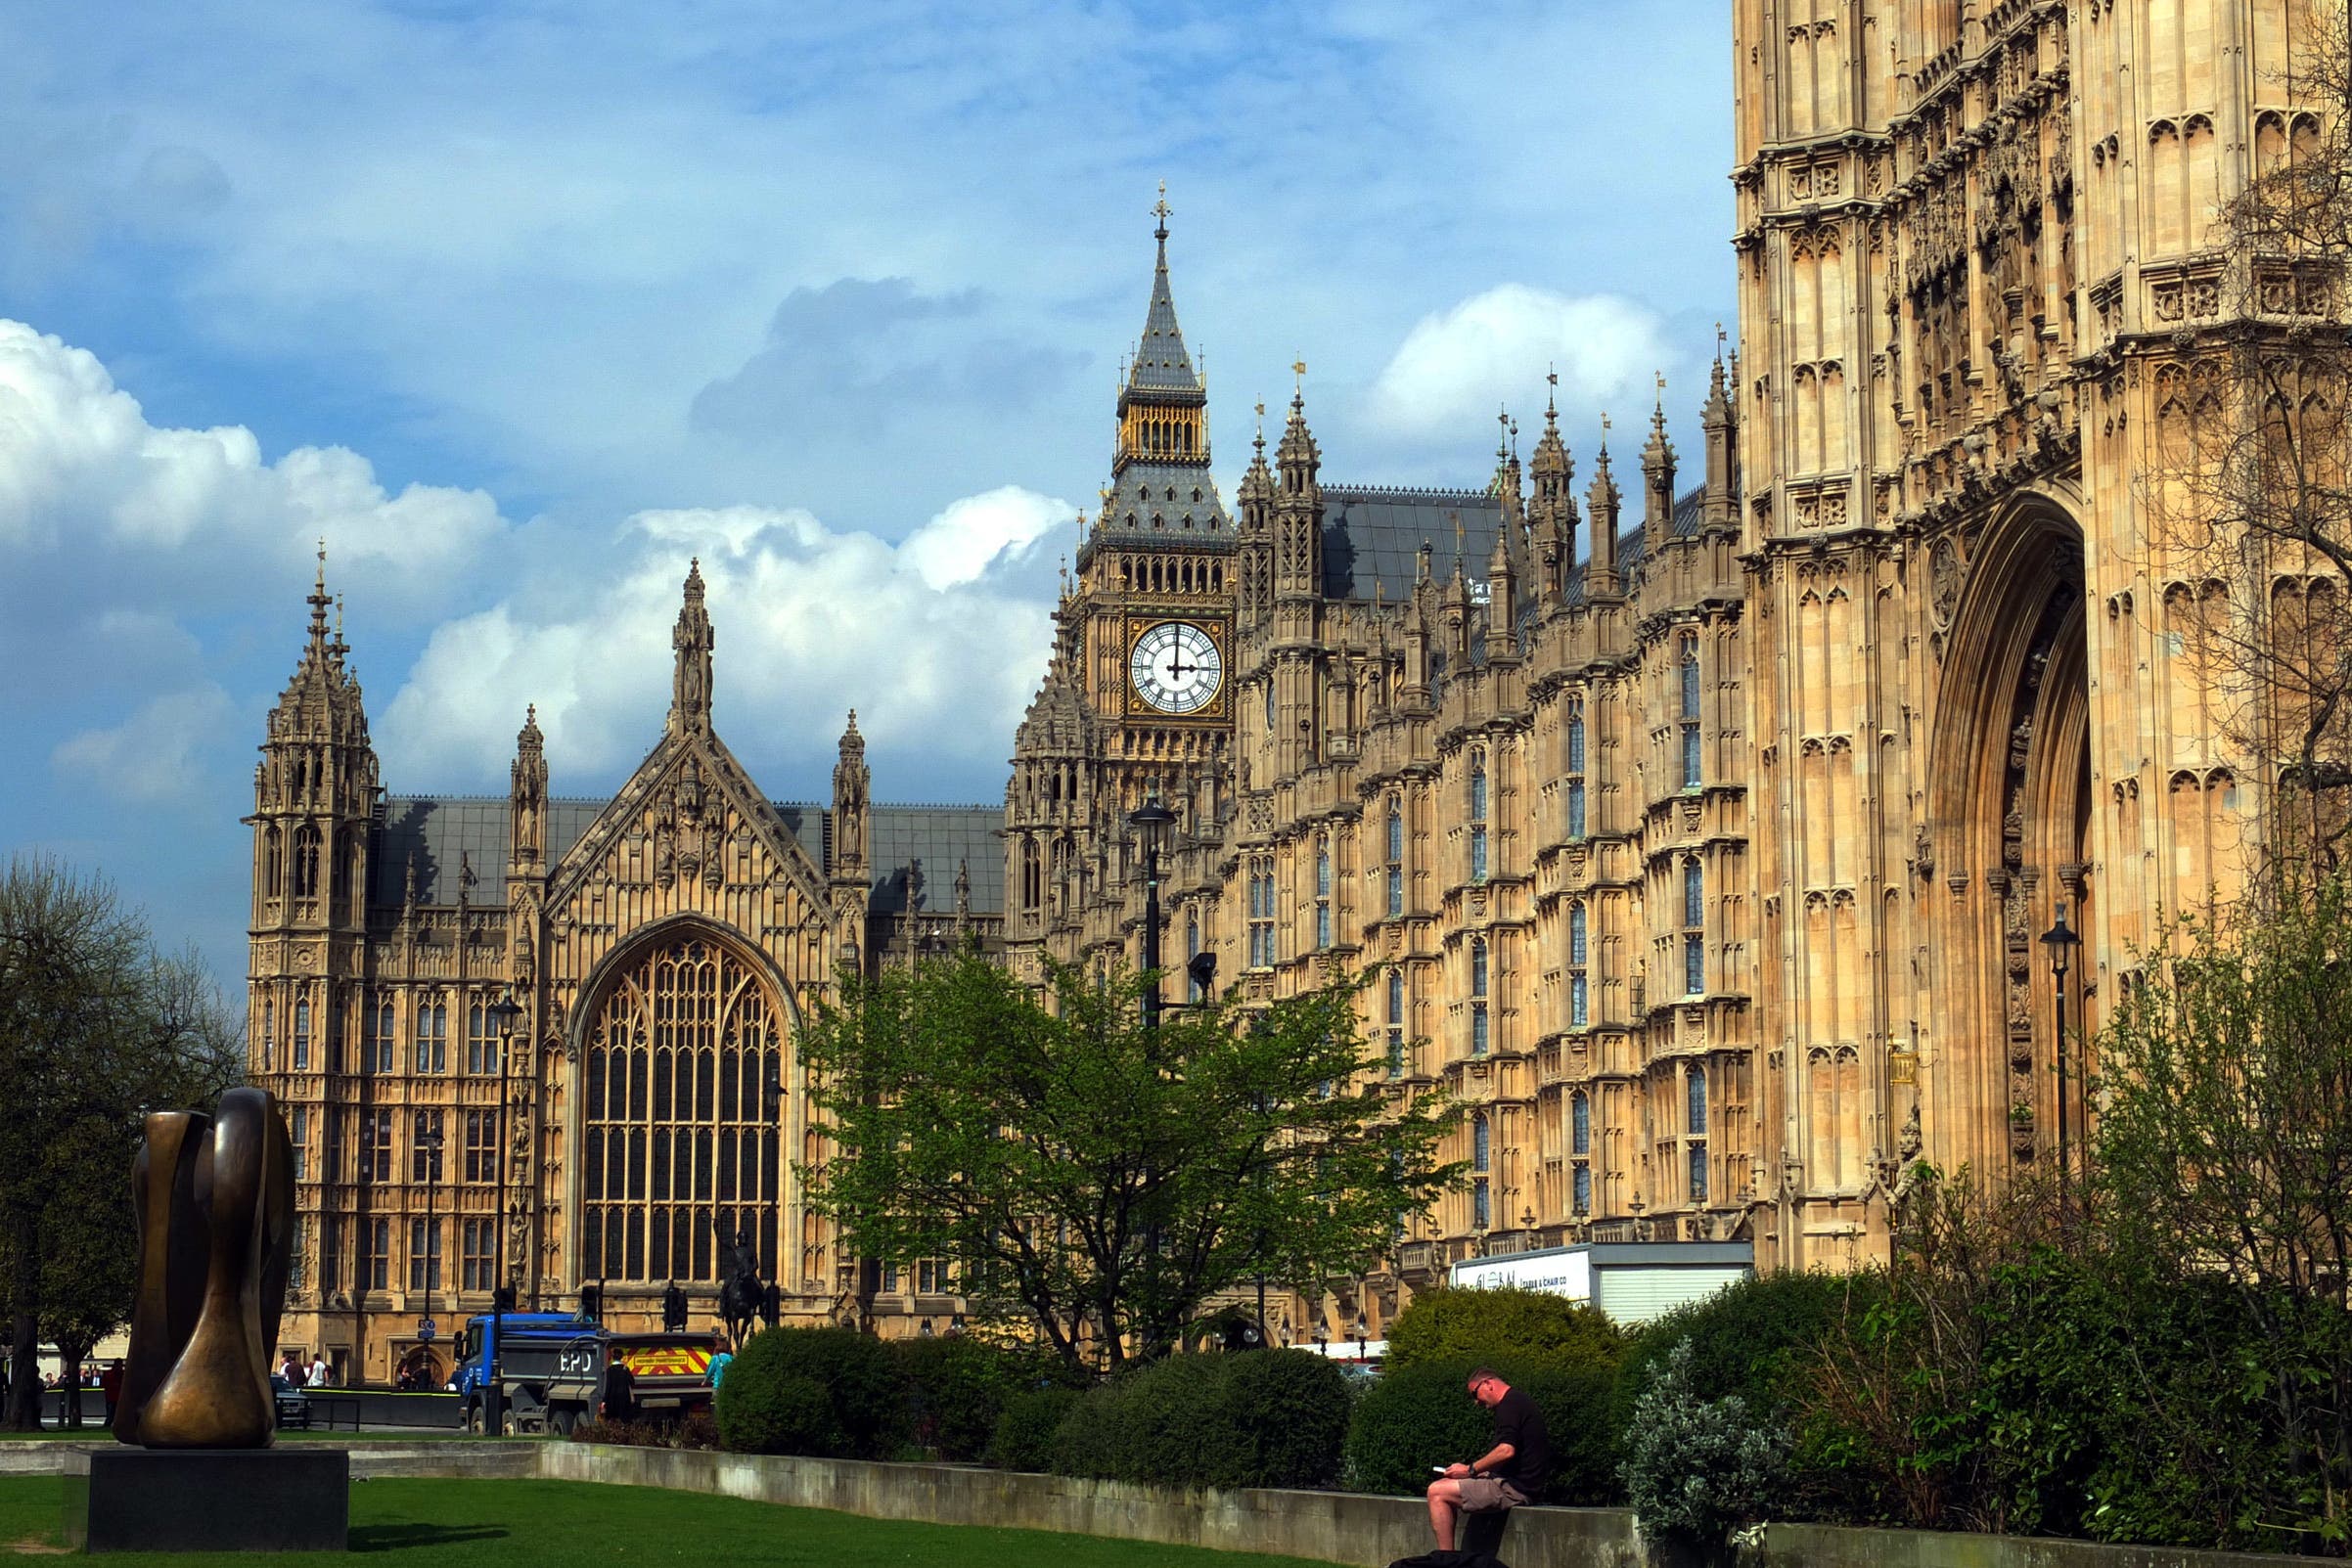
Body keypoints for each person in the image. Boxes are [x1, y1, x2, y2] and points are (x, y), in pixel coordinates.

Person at [1423, 1367, 1552, 1554]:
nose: (1476, 1402)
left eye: (1475, 1394)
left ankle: (1446, 1560)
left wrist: (1470, 1470)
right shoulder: (1516, 1402)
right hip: (1513, 1483)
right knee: (1445, 1483)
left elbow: (1506, 1450)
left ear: (1488, 1384)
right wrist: (1478, 1473)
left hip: (1515, 1489)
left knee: (1436, 1492)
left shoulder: (1510, 1404)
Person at [604, 1353, 637, 1423]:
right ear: (621, 1357)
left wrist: (604, 1400)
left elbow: (608, 1386)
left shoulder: (609, 1370)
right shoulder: (625, 1369)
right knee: (625, 1420)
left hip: (613, 1399)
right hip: (624, 1398)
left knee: (613, 1420)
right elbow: (632, 1382)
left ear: (613, 1358)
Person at [98, 1361, 123, 1427]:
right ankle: (108, 1424)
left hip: (114, 1397)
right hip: (113, 1397)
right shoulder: (110, 1374)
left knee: (112, 1414)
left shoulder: (120, 1374)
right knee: (111, 1414)